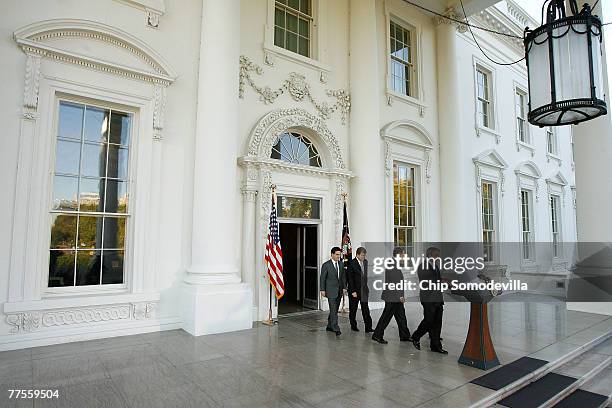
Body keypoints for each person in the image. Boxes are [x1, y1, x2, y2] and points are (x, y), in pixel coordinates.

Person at [411, 246, 448, 354]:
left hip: (437, 298)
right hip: (428, 298)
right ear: (431, 256)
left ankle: (436, 346)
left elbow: (437, 279)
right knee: (429, 320)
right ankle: (416, 336)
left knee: (437, 322)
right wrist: (441, 282)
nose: (439, 258)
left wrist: (445, 281)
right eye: (437, 256)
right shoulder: (423, 266)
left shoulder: (435, 266)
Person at [372, 247, 411, 344]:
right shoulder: (392, 264)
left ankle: (405, 336)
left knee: (401, 316)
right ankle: (377, 335)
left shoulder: (394, 263)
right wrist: (400, 296)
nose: (404, 257)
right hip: (392, 297)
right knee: (386, 317)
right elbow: (394, 282)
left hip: (395, 296)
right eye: (403, 254)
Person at [320, 247, 346, 336]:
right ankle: (336, 328)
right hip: (330, 291)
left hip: (339, 291)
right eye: (337, 254)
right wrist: (322, 289)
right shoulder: (326, 265)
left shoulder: (341, 264)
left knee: (334, 310)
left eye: (340, 254)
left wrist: (344, 288)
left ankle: (329, 326)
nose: (339, 256)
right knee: (334, 309)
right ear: (332, 254)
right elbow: (322, 278)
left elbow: (343, 277)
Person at [346, 247, 373, 332]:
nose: (363, 257)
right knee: (353, 309)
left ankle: (368, 327)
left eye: (364, 255)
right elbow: (349, 278)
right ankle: (353, 326)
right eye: (362, 255)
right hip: (354, 291)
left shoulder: (365, 262)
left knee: (365, 309)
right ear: (357, 254)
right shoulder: (351, 263)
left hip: (364, 290)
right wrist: (353, 291)